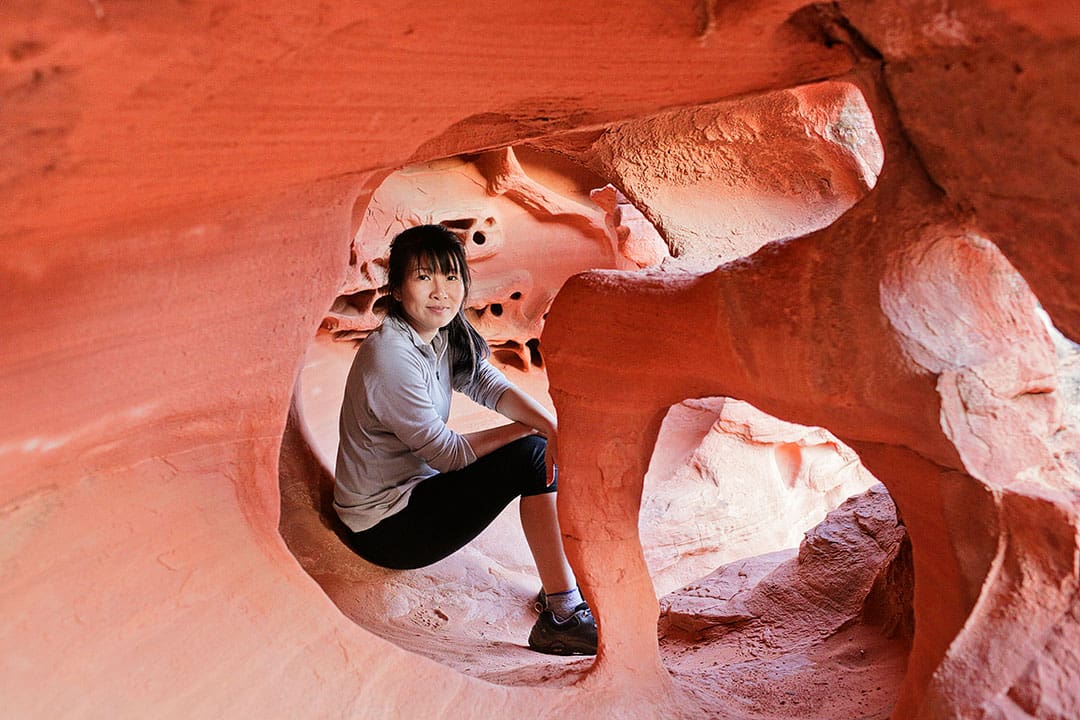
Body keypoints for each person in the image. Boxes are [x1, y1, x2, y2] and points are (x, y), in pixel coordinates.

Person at [333, 223, 596, 656]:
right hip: (385, 529)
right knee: (530, 457)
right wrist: (534, 433)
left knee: (538, 447)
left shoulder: (438, 335)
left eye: (451, 277)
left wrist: (552, 426)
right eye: (423, 277)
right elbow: (449, 454)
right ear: (396, 289)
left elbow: (488, 384)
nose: (441, 291)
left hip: (416, 495)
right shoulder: (390, 358)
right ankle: (564, 616)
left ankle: (558, 593)